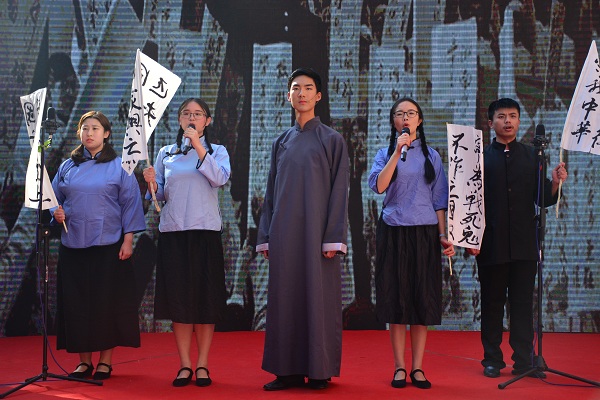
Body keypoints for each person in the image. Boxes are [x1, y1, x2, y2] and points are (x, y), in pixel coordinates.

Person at [256, 68, 350, 391]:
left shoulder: (332, 140)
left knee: (318, 298)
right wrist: (265, 235)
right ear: (289, 96)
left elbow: (340, 191)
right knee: (285, 299)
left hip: (317, 235)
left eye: (308, 88)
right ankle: (287, 371)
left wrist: (333, 237)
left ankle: (319, 370)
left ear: (318, 96)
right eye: (296, 88)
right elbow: (271, 192)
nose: (302, 93)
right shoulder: (280, 142)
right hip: (284, 233)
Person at [467, 98, 568, 378]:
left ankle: (524, 361)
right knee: (492, 304)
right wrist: (470, 239)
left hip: (525, 243)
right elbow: (468, 203)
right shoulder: (479, 159)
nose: (508, 121)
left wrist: (555, 182)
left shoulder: (533, 156)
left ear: (519, 121)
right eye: (501, 116)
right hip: (491, 243)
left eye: (513, 116)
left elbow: (541, 198)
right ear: (491, 123)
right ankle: (492, 360)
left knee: (523, 305)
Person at [368, 97, 455, 389]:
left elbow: (439, 199)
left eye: (411, 113)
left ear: (420, 120)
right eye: (400, 113)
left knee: (421, 300)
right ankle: (399, 367)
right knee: (395, 300)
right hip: (394, 231)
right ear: (394, 121)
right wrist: (397, 152)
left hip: (425, 233)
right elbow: (379, 186)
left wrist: (443, 235)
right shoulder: (384, 153)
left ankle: (418, 368)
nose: (406, 117)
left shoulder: (432, 156)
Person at [143, 98, 230, 387]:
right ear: (179, 119)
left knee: (205, 302)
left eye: (198, 114)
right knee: (179, 303)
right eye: (186, 114)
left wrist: (198, 146)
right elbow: (159, 196)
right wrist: (152, 183)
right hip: (174, 233)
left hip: (205, 233)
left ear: (207, 120)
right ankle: (184, 365)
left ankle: (202, 364)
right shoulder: (166, 153)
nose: (191, 118)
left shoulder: (217, 151)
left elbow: (219, 179)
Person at [52, 111, 145, 380]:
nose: (89, 133)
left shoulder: (120, 166)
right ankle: (84, 362)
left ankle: (105, 361)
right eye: (85, 128)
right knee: (77, 304)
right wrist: (56, 213)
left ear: (106, 134)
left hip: (108, 246)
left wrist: (128, 240)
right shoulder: (67, 166)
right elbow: (53, 200)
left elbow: (130, 203)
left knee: (106, 304)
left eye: (95, 128)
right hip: (73, 245)